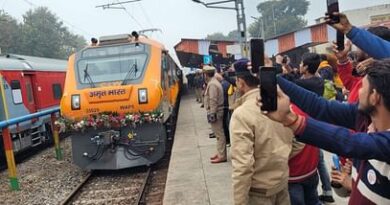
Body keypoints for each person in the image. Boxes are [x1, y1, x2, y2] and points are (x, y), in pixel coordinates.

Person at [262, 59, 390, 204]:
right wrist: (271, 76)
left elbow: (348, 142)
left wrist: (292, 120)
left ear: (375, 97)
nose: (357, 92)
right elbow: (319, 106)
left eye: (362, 87)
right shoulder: (365, 118)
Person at [230, 58, 293, 205]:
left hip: (258, 194)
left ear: (240, 82)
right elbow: (298, 142)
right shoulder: (280, 103)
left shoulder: (241, 114)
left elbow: (243, 166)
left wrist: (240, 202)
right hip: (282, 185)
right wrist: (279, 158)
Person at [203, 65, 226, 163]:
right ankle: (220, 152)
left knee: (219, 134)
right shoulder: (214, 82)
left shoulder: (212, 84)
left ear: (206, 75)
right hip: (217, 110)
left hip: (216, 111)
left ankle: (222, 155)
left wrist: (212, 113)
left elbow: (213, 99)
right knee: (218, 134)